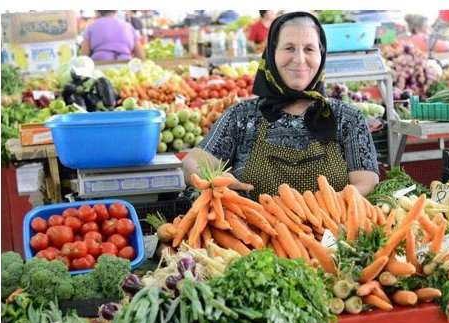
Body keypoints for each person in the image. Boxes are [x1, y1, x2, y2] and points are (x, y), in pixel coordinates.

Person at [183, 11, 379, 199]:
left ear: (321, 55)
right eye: (289, 48)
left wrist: (324, 207)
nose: (299, 59)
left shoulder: (348, 118)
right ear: (271, 54)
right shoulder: (242, 117)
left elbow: (366, 182)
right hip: (253, 232)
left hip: (333, 230)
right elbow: (192, 163)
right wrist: (211, 178)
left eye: (309, 49)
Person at [81, 10, 145, 61]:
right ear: (116, 11)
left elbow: (84, 57)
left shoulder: (91, 27)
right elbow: (140, 56)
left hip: (100, 66)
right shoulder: (128, 26)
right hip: (125, 66)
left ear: (97, 11)